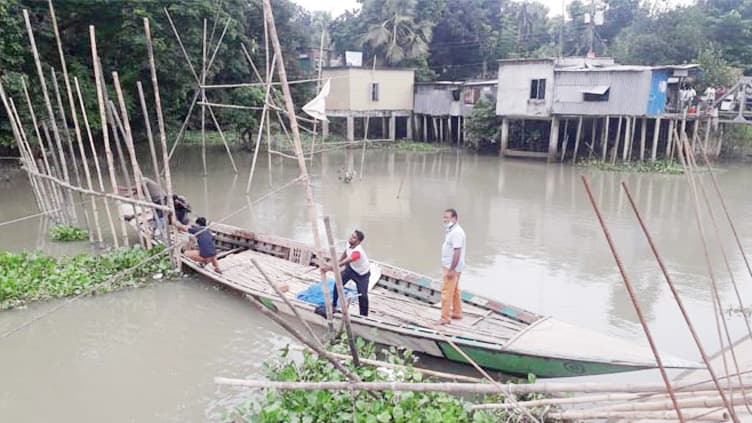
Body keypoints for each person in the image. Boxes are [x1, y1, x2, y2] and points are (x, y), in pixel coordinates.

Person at [321, 230, 371, 316]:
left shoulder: (357, 253)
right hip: (351, 269)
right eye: (351, 236)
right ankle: (334, 306)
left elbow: (345, 262)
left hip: (362, 274)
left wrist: (330, 267)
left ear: (358, 242)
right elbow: (346, 252)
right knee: (338, 283)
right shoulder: (349, 244)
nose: (351, 238)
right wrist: (339, 260)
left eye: (354, 237)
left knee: (363, 296)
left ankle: (364, 316)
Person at [437, 208, 466, 325]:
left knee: (446, 292)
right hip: (453, 266)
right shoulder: (451, 230)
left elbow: (457, 251)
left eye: (447, 218)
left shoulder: (456, 232)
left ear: (455, 218)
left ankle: (445, 317)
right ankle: (457, 313)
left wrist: (451, 270)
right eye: (444, 217)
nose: (445, 219)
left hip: (452, 267)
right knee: (454, 290)